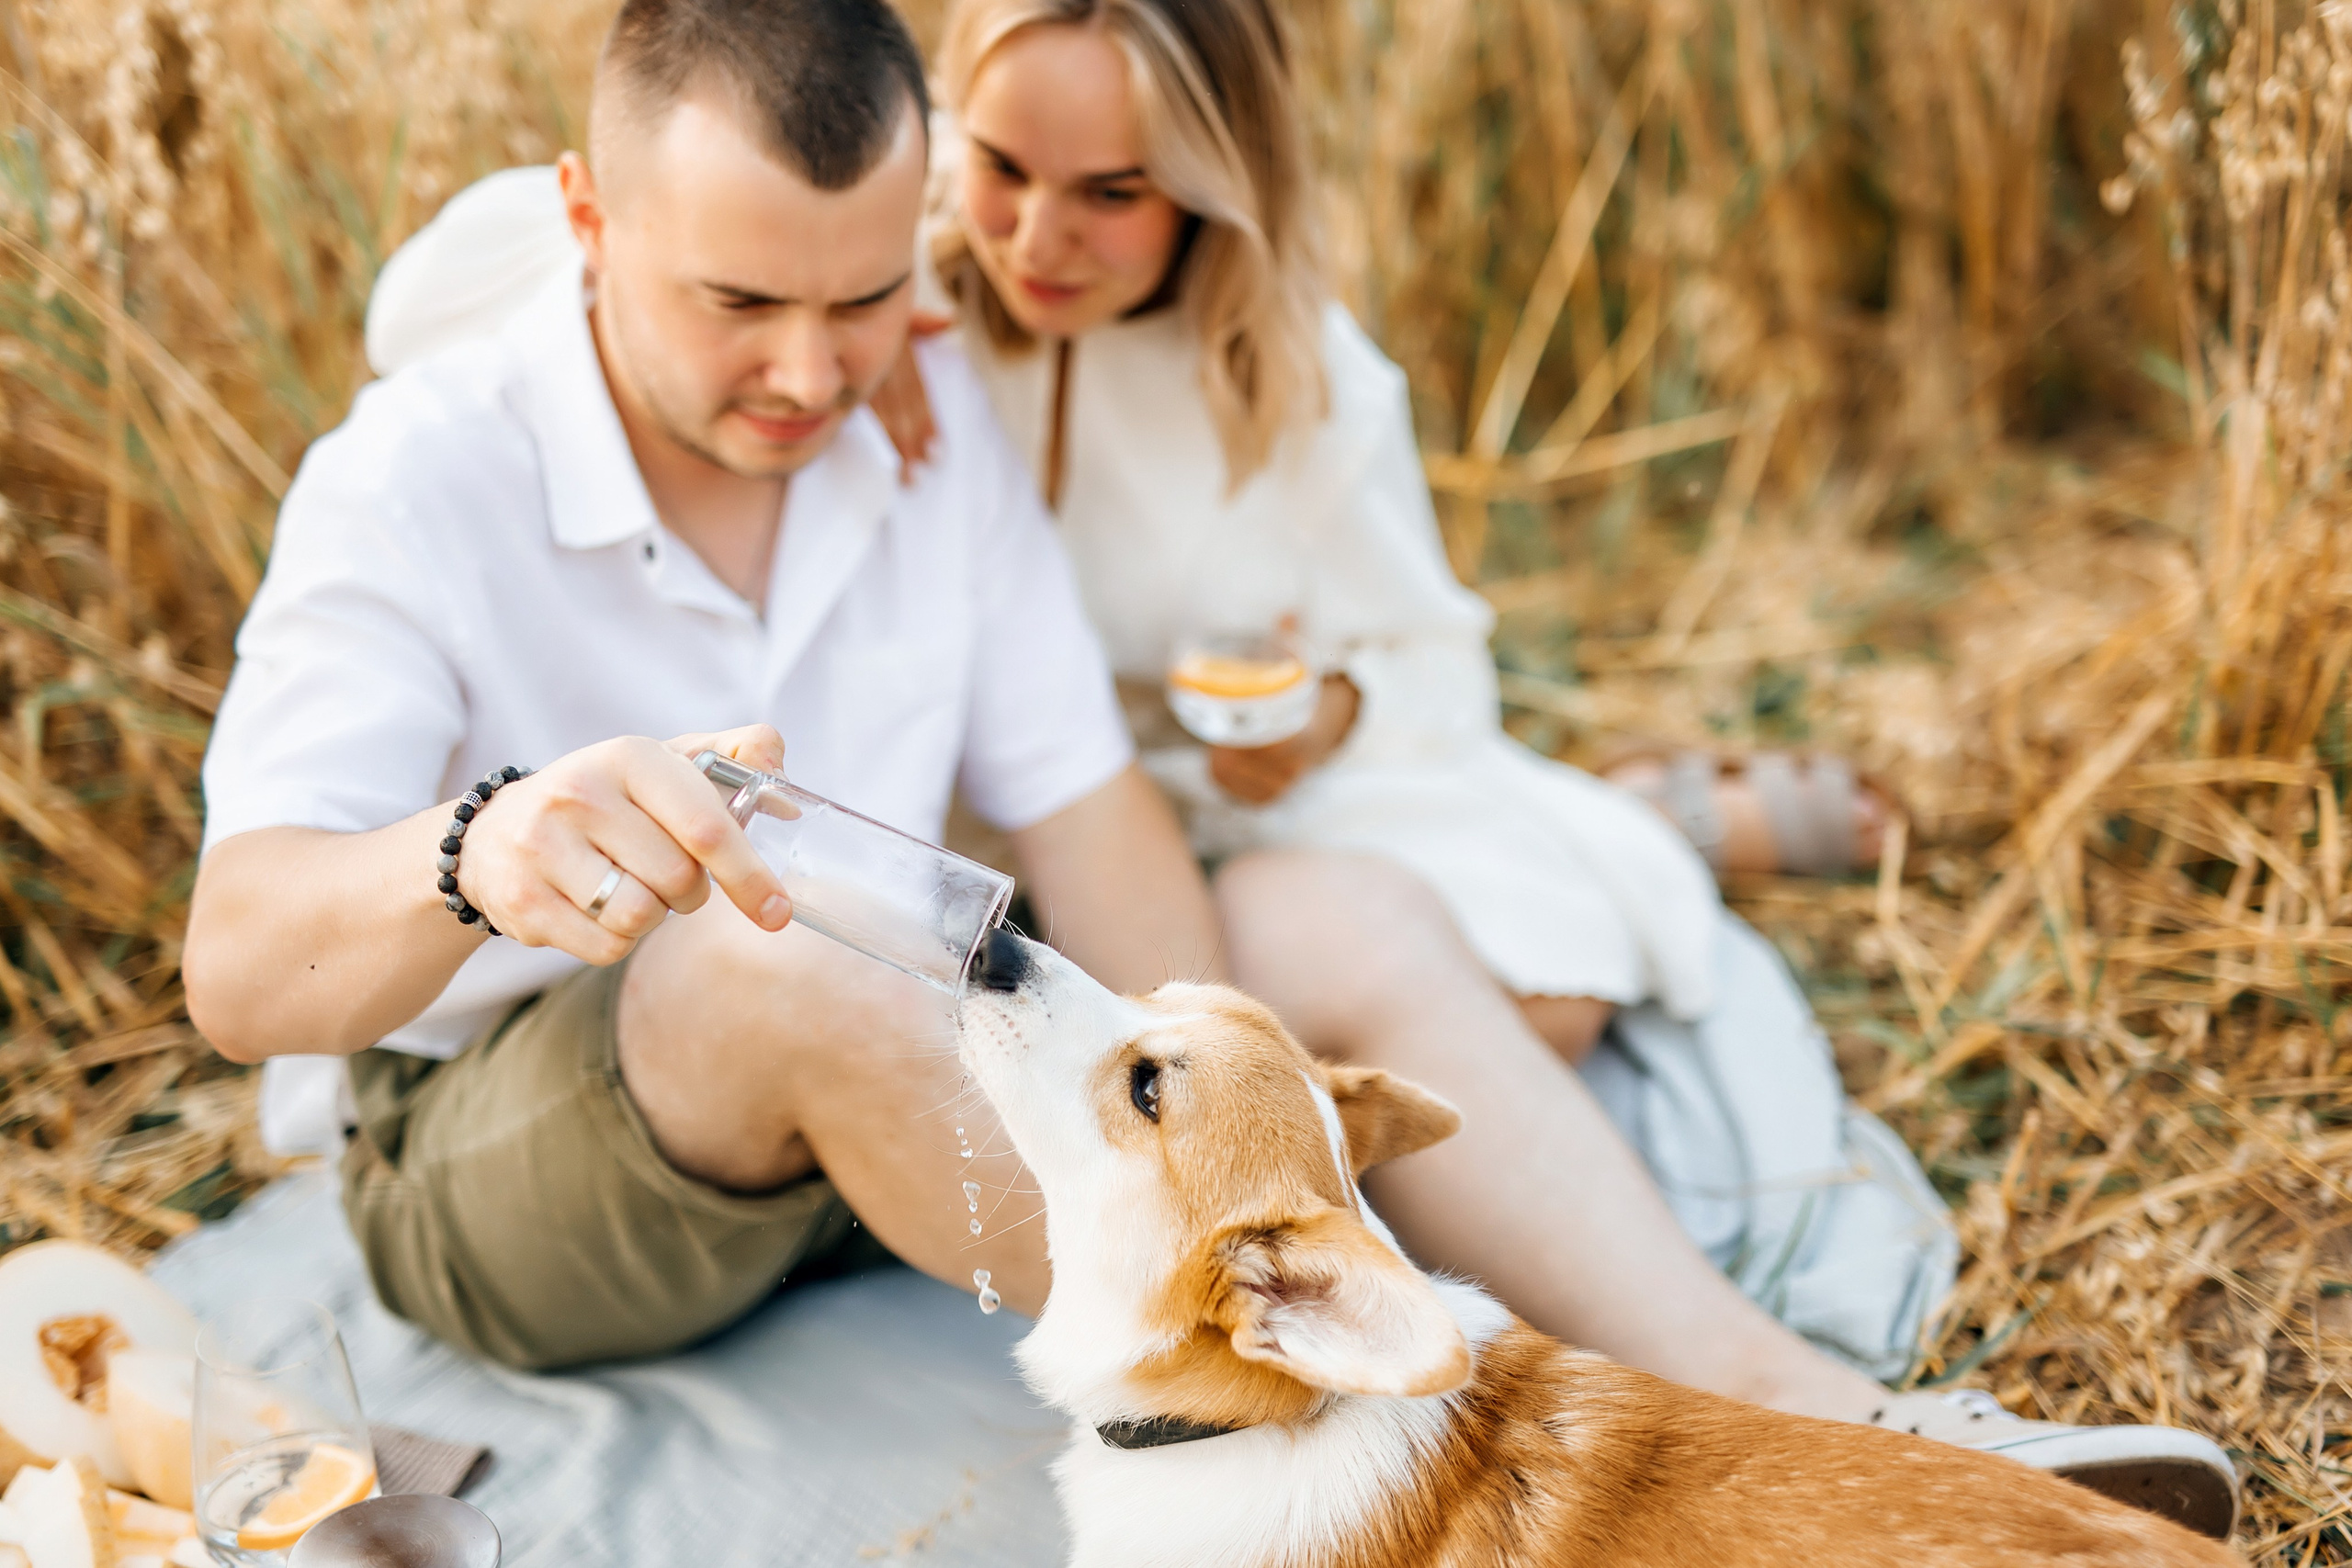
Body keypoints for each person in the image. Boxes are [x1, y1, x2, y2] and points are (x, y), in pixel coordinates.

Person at [345, 0, 2237, 1534]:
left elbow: (1273, 739)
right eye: (991, 184)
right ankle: (1425, 1393)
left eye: (853, 300)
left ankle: (1773, 1401)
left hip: (1003, 915)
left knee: (1379, 948)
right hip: (661, 1042)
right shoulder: (750, 334)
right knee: (815, 968)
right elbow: (494, 270)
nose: (1021, 246)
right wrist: (479, 839)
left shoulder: (1196, 388)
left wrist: (1240, 1014)